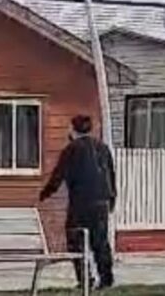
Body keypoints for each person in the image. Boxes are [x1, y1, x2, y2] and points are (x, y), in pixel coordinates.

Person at [39, 115, 116, 290]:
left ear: (73, 129)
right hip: (102, 202)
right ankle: (106, 279)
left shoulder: (71, 150)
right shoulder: (103, 148)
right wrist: (112, 198)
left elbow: (58, 176)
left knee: (75, 239)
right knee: (100, 242)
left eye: (69, 128)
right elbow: (111, 174)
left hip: (81, 203)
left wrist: (44, 194)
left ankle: (84, 278)